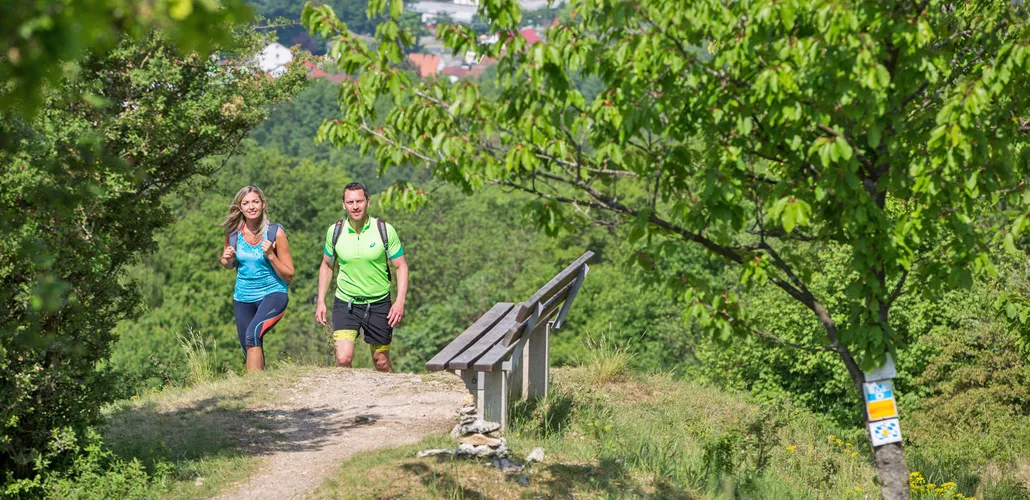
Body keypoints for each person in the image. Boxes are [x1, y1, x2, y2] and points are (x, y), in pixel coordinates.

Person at [315, 182, 408, 372]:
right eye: (350, 202)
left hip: (379, 303)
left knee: (381, 361)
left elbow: (401, 266)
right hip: (346, 302)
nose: (355, 206)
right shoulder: (335, 231)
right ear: (343, 204)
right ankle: (345, 400)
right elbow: (326, 265)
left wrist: (399, 301)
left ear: (368, 202)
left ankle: (389, 398)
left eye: (359, 201)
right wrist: (321, 301)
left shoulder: (384, 230)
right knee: (343, 358)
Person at [220, 185, 294, 371]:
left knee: (252, 335)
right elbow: (228, 263)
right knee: (249, 346)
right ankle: (261, 386)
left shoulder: (275, 232)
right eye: (246, 203)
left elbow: (289, 275)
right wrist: (226, 259)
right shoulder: (233, 233)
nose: (251, 206)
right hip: (243, 297)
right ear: (240, 208)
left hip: (273, 294)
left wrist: (271, 255)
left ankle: (253, 391)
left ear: (262, 205)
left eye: (255, 201)